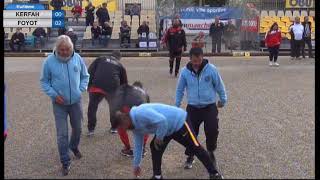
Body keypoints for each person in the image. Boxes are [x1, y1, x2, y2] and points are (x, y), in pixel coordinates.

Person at [114, 103, 223, 179]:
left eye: (122, 126)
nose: (124, 129)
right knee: (155, 147)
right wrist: (136, 165)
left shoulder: (140, 112)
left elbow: (162, 121)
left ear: (125, 119)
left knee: (195, 147)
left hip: (178, 121)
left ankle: (214, 174)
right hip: (165, 129)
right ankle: (157, 176)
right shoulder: (134, 127)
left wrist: (159, 137)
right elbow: (138, 146)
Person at [40, 35, 89, 176]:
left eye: (67, 49)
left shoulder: (77, 58)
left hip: (76, 102)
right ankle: (65, 161)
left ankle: (73, 146)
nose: (64, 52)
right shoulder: (49, 61)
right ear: (56, 48)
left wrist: (80, 90)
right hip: (59, 104)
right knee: (62, 134)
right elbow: (44, 82)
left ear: (71, 48)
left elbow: (85, 76)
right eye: (61, 49)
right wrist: (54, 95)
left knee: (78, 129)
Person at [175, 47, 227, 174]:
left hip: (209, 106)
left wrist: (223, 99)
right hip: (193, 107)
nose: (196, 64)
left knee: (212, 130)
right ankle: (191, 154)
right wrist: (176, 105)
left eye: (198, 61)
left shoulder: (211, 70)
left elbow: (219, 85)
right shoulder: (185, 72)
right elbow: (180, 89)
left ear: (202, 57)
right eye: (194, 61)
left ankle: (210, 152)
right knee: (190, 134)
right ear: (190, 59)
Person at [87, 50, 127, 135]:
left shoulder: (100, 58)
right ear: (119, 58)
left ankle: (91, 130)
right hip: (112, 88)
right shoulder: (120, 65)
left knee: (92, 108)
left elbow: (90, 71)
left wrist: (89, 85)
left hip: (97, 86)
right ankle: (114, 128)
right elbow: (124, 83)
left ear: (111, 55)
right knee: (113, 108)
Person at [110, 81, 150, 157]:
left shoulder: (125, 89)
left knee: (121, 126)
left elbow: (115, 102)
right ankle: (142, 147)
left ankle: (127, 148)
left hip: (125, 107)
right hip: (140, 108)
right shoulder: (145, 93)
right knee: (144, 127)